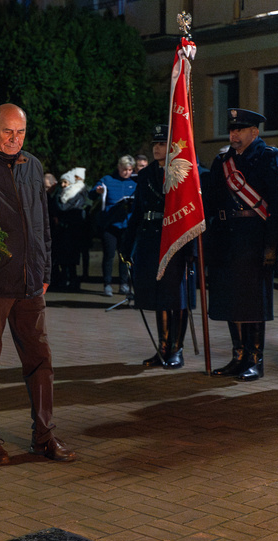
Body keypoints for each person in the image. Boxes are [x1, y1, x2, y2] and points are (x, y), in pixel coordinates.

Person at [0, 103, 75, 466]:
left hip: (30, 285)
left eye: (20, 132)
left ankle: (44, 436)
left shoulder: (33, 166)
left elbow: (42, 224)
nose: (13, 139)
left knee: (41, 361)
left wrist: (46, 271)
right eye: (7, 131)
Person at [205, 108, 278, 380]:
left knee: (253, 302)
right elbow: (212, 201)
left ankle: (255, 359)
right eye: (232, 129)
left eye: (240, 129)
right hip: (227, 238)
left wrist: (272, 245)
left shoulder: (268, 157)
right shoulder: (223, 161)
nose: (234, 134)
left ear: (255, 132)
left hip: (254, 238)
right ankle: (238, 356)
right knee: (231, 299)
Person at [122, 125, 196, 369]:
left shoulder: (184, 173)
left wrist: (192, 251)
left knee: (176, 297)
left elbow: (191, 215)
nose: (156, 148)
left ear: (173, 146)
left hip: (175, 241)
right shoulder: (145, 175)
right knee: (157, 298)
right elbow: (137, 213)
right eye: (155, 144)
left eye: (162, 144)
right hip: (150, 240)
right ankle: (162, 349)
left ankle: (177, 349)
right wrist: (127, 244)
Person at [90, 155, 137, 297]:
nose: (127, 172)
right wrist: (96, 191)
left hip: (126, 225)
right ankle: (107, 284)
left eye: (130, 170)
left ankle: (123, 284)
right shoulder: (108, 180)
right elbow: (92, 193)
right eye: (124, 169)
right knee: (109, 255)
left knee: (124, 256)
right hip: (110, 225)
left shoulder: (135, 182)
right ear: (119, 167)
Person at [48, 167, 89, 292]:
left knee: (71, 258)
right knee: (63, 257)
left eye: (66, 182)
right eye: (62, 183)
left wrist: (60, 210)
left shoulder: (77, 194)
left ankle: (73, 281)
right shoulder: (60, 194)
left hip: (73, 230)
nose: (63, 185)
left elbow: (64, 208)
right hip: (62, 230)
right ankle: (65, 280)